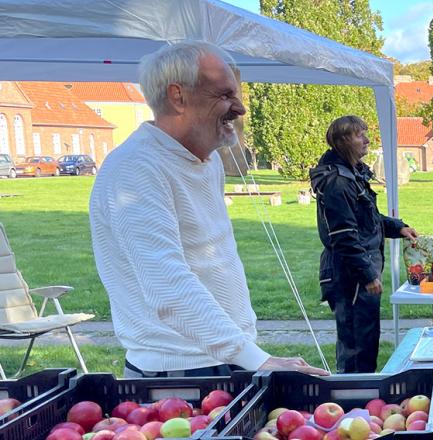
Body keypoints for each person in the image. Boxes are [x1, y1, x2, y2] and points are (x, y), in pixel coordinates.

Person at [89, 41, 327, 377]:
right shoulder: (135, 169)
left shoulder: (208, 159)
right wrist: (255, 358)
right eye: (225, 95)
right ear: (178, 97)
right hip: (178, 372)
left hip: (226, 358)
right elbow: (167, 287)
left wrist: (244, 352)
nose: (240, 108)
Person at [310, 115, 418, 373]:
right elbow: (344, 236)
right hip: (350, 277)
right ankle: (352, 403)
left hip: (359, 273)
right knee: (356, 349)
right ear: (343, 141)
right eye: (360, 135)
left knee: (367, 342)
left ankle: (364, 402)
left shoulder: (353, 174)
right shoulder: (338, 182)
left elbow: (367, 219)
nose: (367, 140)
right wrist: (368, 274)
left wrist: (397, 227)